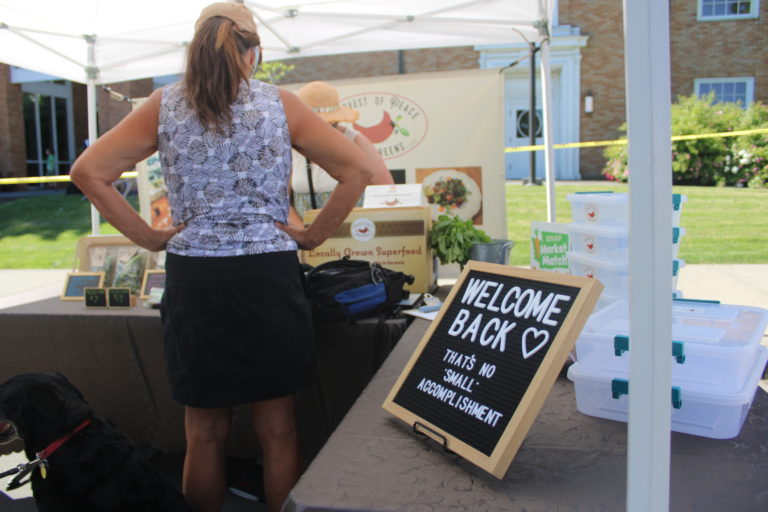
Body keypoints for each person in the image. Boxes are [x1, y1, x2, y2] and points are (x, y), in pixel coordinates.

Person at [70, 3, 372, 512]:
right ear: (254, 52)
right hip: (267, 276)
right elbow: (357, 170)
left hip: (196, 280)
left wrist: (148, 236)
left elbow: (88, 171)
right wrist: (314, 235)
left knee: (204, 433)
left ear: (196, 49)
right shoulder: (282, 104)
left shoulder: (163, 104)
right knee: (277, 430)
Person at [289, 80, 393, 222]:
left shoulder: (356, 141)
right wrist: (302, 234)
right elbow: (282, 201)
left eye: (331, 124)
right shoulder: (291, 147)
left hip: (353, 235)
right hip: (305, 237)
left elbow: (386, 191)